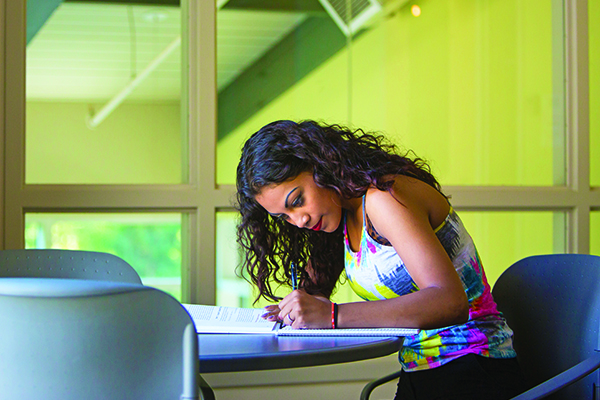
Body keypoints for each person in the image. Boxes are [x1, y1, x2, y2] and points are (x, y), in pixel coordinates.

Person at [236, 119, 526, 399]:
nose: (298, 220)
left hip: (474, 367)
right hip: (422, 370)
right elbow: (315, 296)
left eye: (297, 201)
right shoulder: (344, 216)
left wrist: (333, 315)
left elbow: (450, 302)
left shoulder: (383, 199)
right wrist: (296, 308)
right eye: (283, 216)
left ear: (320, 166)